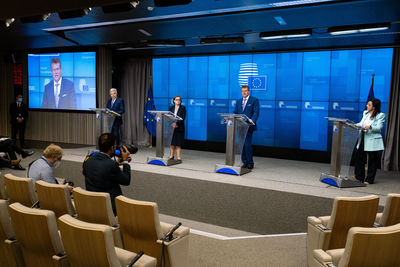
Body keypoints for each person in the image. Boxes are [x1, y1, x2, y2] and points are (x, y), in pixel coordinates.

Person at [83, 133, 131, 215]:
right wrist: (125, 161)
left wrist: (115, 163)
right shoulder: (111, 165)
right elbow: (126, 181)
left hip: (93, 204)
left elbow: (95, 171)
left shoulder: (88, 160)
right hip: (110, 209)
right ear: (112, 148)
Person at [354, 98, 385, 185]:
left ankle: (369, 179)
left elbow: (379, 128)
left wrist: (371, 127)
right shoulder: (365, 113)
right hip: (363, 137)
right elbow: (361, 124)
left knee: (372, 160)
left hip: (372, 139)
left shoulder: (380, 115)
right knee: (359, 157)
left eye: (369, 104)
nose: (367, 106)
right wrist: (353, 125)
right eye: (367, 104)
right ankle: (359, 176)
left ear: (374, 107)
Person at [233, 85, 260, 169]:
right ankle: (244, 162)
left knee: (247, 145)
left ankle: (250, 163)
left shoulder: (254, 100)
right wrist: (231, 116)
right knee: (242, 145)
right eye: (242, 91)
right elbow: (235, 112)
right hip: (240, 126)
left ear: (248, 92)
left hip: (248, 126)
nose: (244, 93)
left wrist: (253, 120)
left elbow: (256, 112)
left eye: (245, 91)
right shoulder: (239, 101)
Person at [168, 96, 186, 161]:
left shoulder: (183, 108)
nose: (178, 101)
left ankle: (178, 157)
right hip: (171, 127)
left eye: (179, 100)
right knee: (172, 143)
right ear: (174, 101)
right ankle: (171, 156)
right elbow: (168, 117)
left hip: (179, 127)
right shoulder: (171, 108)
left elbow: (183, 118)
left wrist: (176, 123)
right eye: (176, 99)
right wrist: (172, 123)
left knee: (178, 143)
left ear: (180, 101)